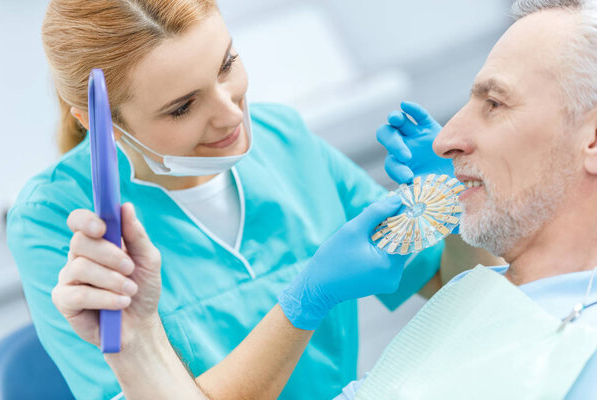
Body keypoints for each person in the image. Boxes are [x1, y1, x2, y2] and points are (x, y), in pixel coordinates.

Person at [59, 0, 597, 398]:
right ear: (102, 127)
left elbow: (438, 276)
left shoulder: (285, 140)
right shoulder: (62, 222)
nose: (231, 116)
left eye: (495, 104)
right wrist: (137, 346)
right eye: (181, 107)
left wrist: (456, 206)